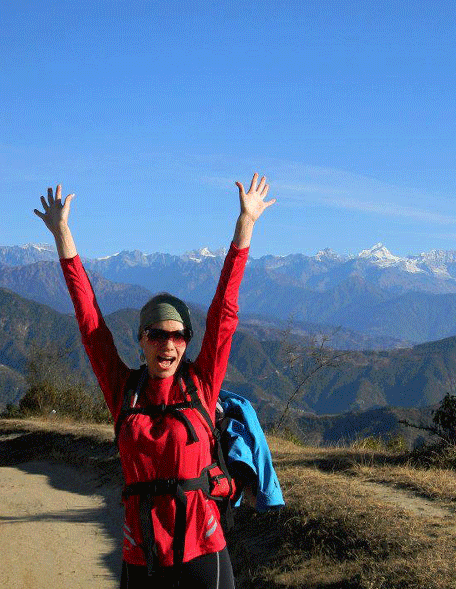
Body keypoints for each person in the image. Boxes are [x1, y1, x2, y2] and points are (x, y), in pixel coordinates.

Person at [34, 174, 275, 589]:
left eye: (178, 335)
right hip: (142, 552)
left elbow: (224, 314)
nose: (169, 344)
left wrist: (246, 224)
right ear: (142, 340)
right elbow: (89, 318)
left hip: (204, 549)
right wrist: (63, 235)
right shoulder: (123, 391)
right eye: (157, 334)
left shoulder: (201, 384)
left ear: (187, 342)